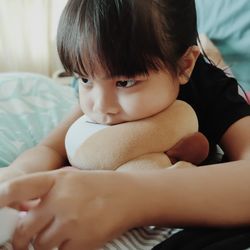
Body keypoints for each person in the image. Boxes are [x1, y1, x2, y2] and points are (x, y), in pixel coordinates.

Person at [0, 0, 250, 249]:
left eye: (125, 83)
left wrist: (129, 197)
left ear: (184, 65)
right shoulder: (98, 100)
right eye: (84, 78)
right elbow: (51, 149)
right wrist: (16, 175)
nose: (100, 106)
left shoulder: (206, 87)